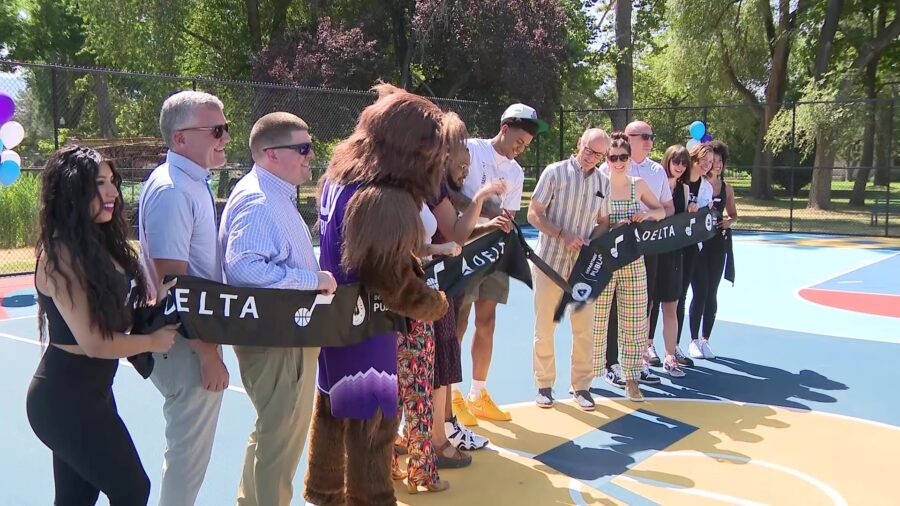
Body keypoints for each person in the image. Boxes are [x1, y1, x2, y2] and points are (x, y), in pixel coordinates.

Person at [304, 84, 449, 506]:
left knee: (332, 407)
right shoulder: (384, 196)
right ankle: (372, 499)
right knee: (374, 423)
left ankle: (323, 491)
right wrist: (432, 302)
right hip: (367, 326)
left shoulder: (338, 176)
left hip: (335, 318)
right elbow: (390, 280)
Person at [27, 146, 178, 505]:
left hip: (92, 393)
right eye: (100, 183)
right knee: (132, 489)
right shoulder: (60, 254)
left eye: (113, 182)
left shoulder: (98, 241)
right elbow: (95, 343)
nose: (112, 192)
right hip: (63, 397)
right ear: (72, 190)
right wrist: (153, 341)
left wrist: (160, 304)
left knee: (76, 499)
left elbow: (118, 310)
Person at [219, 112, 336, 506]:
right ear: (271, 154)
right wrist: (312, 280)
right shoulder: (259, 198)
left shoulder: (272, 192)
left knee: (272, 433)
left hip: (285, 335)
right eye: (302, 148)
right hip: (276, 339)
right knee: (280, 442)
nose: (310, 155)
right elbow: (243, 266)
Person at [138, 90, 231, 505]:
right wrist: (207, 351)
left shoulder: (189, 182)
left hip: (191, 337)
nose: (225, 137)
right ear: (180, 139)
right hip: (184, 342)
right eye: (216, 129)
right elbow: (172, 283)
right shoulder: (175, 190)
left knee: (189, 456)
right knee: (187, 459)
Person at [452, 103, 542, 425]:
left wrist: (501, 222)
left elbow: (510, 213)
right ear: (504, 128)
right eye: (518, 141)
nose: (520, 149)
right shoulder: (472, 150)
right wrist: (483, 212)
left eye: (526, 146)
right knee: (457, 324)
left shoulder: (516, 173)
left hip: (493, 251)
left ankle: (478, 393)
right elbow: (450, 191)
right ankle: (452, 395)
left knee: (486, 322)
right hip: (463, 249)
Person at [426, 112, 504, 462]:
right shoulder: (430, 188)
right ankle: (437, 434)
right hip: (432, 286)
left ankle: (442, 425)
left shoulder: (443, 190)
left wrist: (487, 226)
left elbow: (456, 232)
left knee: (444, 358)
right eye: (462, 164)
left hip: (444, 284)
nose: (466, 172)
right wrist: (482, 198)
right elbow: (454, 232)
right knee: (437, 360)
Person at [528, 128, 611, 411]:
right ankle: (544, 384)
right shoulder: (554, 172)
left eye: (598, 153)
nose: (591, 157)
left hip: (583, 269)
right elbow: (533, 213)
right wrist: (561, 233)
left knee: (584, 330)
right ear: (579, 143)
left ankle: (582, 387)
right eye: (588, 150)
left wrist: (592, 242)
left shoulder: (604, 182)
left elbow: (603, 222)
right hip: (549, 262)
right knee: (545, 327)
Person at [598, 121, 674, 389]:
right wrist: (610, 227)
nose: (618, 162)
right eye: (613, 157)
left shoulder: (639, 182)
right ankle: (607, 365)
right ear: (607, 158)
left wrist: (647, 214)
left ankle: (633, 366)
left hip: (633, 256)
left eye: (623, 157)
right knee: (602, 316)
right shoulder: (599, 183)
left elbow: (663, 210)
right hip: (607, 258)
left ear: (629, 158)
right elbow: (591, 222)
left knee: (635, 313)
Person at [648, 145, 697, 378]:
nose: (679, 166)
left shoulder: (685, 189)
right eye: (675, 162)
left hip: (674, 253)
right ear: (667, 161)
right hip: (651, 251)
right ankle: (646, 347)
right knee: (647, 304)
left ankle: (670, 356)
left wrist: (690, 212)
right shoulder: (656, 182)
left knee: (671, 304)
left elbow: (682, 221)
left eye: (683, 163)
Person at [689, 140, 738, 359]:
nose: (716, 165)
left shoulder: (726, 188)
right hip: (699, 245)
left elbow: (733, 214)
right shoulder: (698, 184)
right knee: (699, 291)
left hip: (718, 244)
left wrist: (730, 222)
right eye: (713, 161)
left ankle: (705, 339)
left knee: (712, 293)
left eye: (719, 161)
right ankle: (692, 341)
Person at [676, 143, 715, 353]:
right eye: (703, 161)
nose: (707, 166)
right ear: (693, 158)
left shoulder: (706, 187)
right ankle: (661, 345)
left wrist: (702, 211)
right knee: (676, 297)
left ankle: (686, 343)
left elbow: (704, 218)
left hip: (694, 247)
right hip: (673, 246)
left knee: (699, 291)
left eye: (710, 162)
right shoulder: (677, 181)